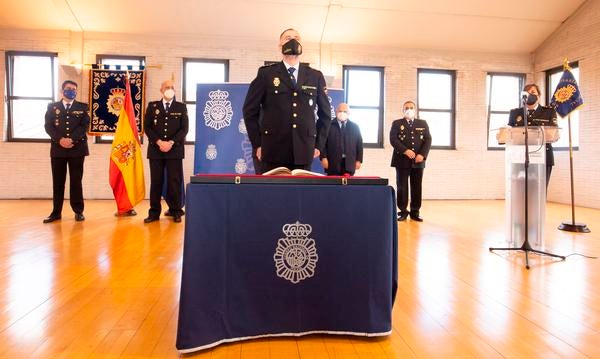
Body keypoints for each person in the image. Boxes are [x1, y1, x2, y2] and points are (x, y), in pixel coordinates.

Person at [243, 28, 332, 172]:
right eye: (287, 37)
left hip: (303, 150)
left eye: (296, 37)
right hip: (272, 149)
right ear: (279, 45)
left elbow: (326, 114)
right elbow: (249, 111)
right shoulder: (266, 74)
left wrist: (318, 145)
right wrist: (258, 144)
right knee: (272, 194)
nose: (292, 40)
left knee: (300, 194)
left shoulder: (315, 76)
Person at [43, 80, 90, 223]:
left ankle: (78, 211)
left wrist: (71, 140)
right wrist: (60, 140)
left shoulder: (82, 107)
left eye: (74, 89)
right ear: (62, 91)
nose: (72, 91)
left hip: (77, 149)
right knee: (58, 182)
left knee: (76, 181)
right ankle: (56, 212)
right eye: (69, 89)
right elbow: (48, 126)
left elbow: (84, 126)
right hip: (58, 150)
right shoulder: (52, 107)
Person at [143, 80, 188, 223]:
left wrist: (171, 142)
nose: (170, 89)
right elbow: (147, 127)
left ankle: (175, 211)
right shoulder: (152, 106)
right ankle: (154, 213)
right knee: (156, 181)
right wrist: (159, 142)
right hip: (156, 150)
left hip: (174, 150)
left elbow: (184, 129)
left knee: (174, 181)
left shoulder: (181, 107)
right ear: (161, 90)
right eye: (167, 87)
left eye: (172, 88)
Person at [508, 83, 558, 187]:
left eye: (533, 92)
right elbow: (509, 134)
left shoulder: (549, 112)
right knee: (519, 188)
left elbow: (553, 135)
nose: (530, 95)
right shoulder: (515, 113)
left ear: (539, 96)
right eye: (527, 93)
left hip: (543, 156)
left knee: (540, 189)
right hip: (520, 156)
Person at [390, 101, 432, 222]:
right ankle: (403, 211)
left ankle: (415, 211)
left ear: (415, 110)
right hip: (401, 160)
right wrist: (405, 151)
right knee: (402, 186)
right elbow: (393, 139)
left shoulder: (422, 123)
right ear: (403, 111)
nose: (409, 110)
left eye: (411, 108)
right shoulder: (397, 123)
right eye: (406, 108)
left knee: (417, 186)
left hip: (418, 161)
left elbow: (428, 140)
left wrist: (422, 155)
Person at [320, 103, 363, 176]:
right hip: (332, 163)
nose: (342, 113)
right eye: (340, 111)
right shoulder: (328, 126)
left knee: (348, 186)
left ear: (349, 113)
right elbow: (322, 143)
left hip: (349, 163)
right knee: (333, 186)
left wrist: (359, 160)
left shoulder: (355, 127)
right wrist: (323, 157)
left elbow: (359, 144)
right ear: (336, 112)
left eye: (345, 112)